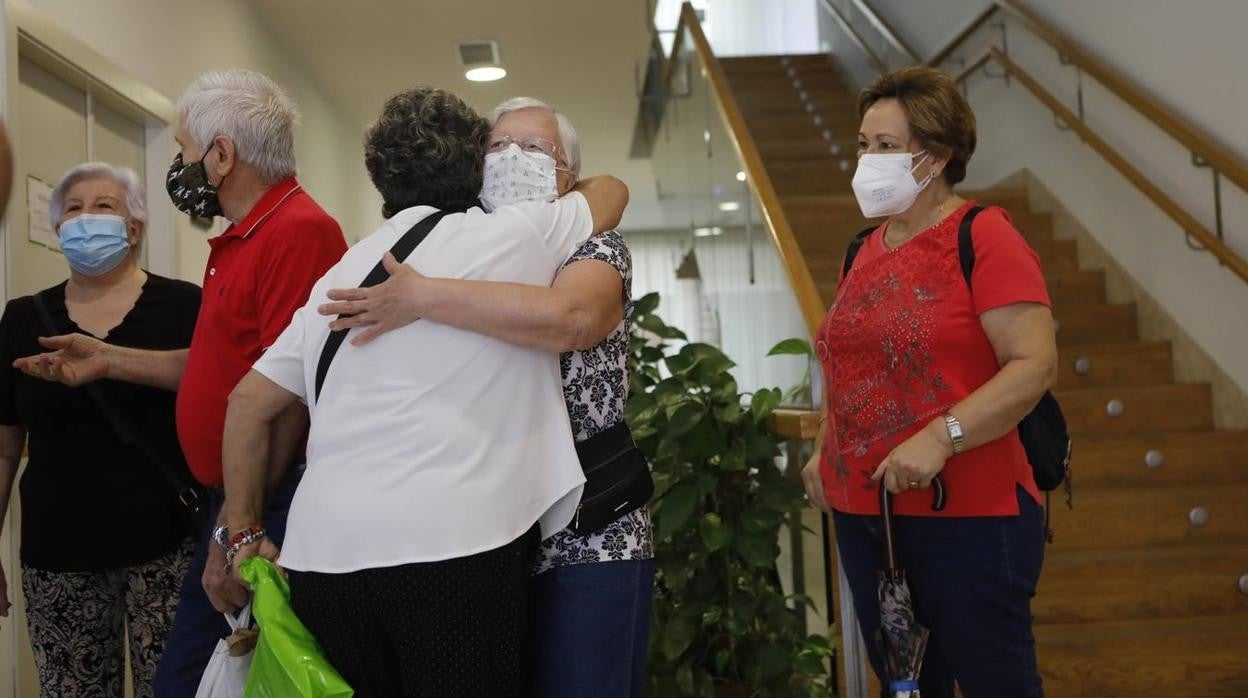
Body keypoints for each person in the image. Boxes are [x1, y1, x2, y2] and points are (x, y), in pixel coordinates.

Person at [221, 86, 629, 697]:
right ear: (476, 169)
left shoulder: (343, 270)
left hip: (323, 558)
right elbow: (610, 193)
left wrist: (244, 534)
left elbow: (247, 403)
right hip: (451, 549)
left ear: (380, 179)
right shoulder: (516, 238)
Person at [12, 69, 347, 696]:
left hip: (259, 504)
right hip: (236, 503)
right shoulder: (243, 237)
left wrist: (240, 528)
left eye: (185, 151)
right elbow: (222, 367)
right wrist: (108, 360)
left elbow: (288, 396)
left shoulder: (299, 231)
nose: (181, 167)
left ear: (222, 155)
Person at [799, 66, 1057, 697]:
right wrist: (825, 443)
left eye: (886, 147)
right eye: (863, 144)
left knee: (996, 681)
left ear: (935, 156)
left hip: (967, 511)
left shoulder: (983, 235)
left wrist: (942, 437)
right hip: (869, 513)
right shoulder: (862, 249)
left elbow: (1034, 363)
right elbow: (853, 361)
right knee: (909, 687)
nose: (866, 159)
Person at [0, 162, 201, 697]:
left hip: (168, 548)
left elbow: (219, 394)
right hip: (58, 553)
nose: (86, 219)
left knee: (178, 689)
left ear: (134, 227)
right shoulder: (23, 318)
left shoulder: (186, 305)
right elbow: (3, 448)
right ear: (58, 228)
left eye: (104, 207)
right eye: (73, 209)